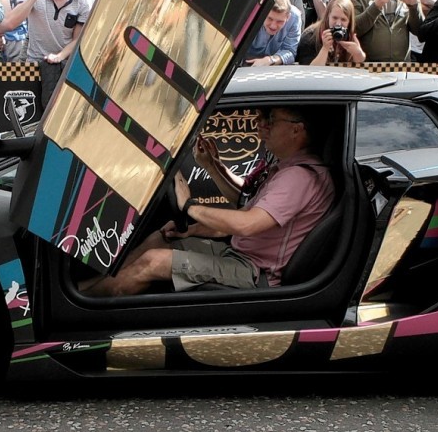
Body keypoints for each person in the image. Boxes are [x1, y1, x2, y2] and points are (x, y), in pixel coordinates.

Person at [80, 106, 334, 295]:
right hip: (241, 253)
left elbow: (247, 224)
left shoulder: (298, 179)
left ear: (296, 129)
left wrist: (190, 205)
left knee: (153, 261)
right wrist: (211, 168)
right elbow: (243, 205)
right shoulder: (288, 169)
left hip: (255, 271)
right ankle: (90, 287)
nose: (261, 126)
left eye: (270, 120)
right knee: (159, 238)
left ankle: (81, 304)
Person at [297, 0, 365, 66]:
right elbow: (309, 71)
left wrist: (357, 53)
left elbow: (360, 63)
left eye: (343, 20)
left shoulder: (352, 34)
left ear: (349, 21)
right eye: (335, 18)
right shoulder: (310, 36)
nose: (338, 23)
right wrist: (325, 48)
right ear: (328, 16)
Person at [244, 0, 301, 66]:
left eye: (279, 21)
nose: (273, 26)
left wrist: (271, 60)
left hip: (273, 66)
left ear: (288, 17)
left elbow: (290, 51)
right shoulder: (251, 12)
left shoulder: (295, 18)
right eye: (270, 19)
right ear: (262, 13)